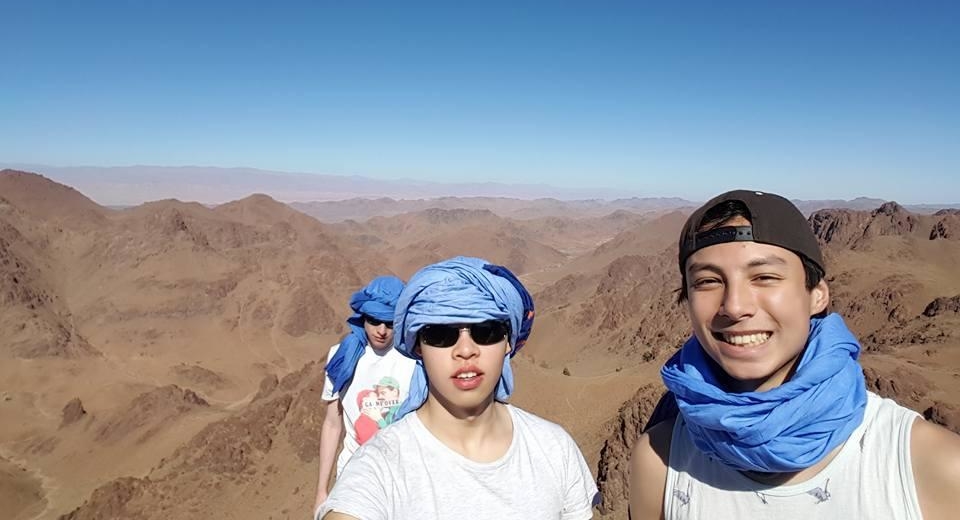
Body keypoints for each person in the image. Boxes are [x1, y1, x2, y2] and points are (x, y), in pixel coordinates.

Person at [629, 189, 960, 520]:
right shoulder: (659, 463)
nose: (735, 306)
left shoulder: (931, 466)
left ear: (817, 295)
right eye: (707, 281)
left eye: (765, 277)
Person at [317, 256, 599, 520]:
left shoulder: (555, 449)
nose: (465, 350)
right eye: (441, 334)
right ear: (418, 346)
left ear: (509, 342)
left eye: (486, 331)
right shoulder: (380, 467)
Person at [313, 276, 416, 517]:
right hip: (355, 475)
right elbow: (332, 424)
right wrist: (321, 491)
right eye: (374, 320)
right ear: (363, 318)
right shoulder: (342, 357)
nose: (381, 331)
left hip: (405, 476)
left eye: (389, 322)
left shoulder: (414, 358)